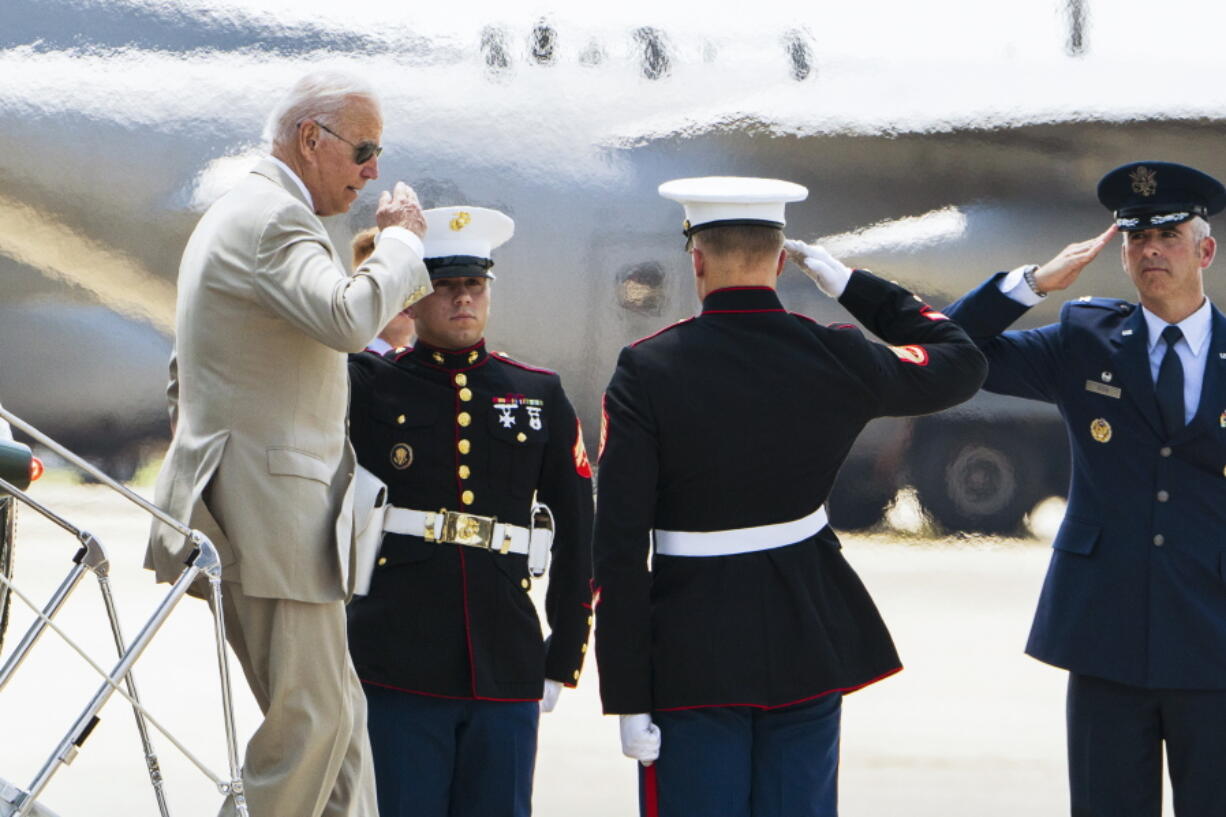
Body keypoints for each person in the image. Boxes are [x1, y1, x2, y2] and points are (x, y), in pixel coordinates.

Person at [593, 176, 988, 817]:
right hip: (807, 635)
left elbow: (616, 543)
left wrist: (628, 692)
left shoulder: (648, 367)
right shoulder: (833, 352)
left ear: (697, 259)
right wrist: (856, 286)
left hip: (693, 651)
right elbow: (961, 360)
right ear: (781, 260)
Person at [145, 70, 433, 817]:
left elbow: (190, 374)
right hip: (275, 520)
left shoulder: (241, 212)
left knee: (341, 734)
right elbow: (347, 318)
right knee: (311, 730)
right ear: (312, 139)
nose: (372, 171)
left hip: (261, 511)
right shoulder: (276, 218)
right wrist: (399, 246)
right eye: (364, 150)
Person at [943, 160, 1226, 817]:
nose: (1150, 249)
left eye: (1169, 235)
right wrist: (1034, 283)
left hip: (1215, 636)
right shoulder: (1085, 340)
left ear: (1204, 249)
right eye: (1135, 237)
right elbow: (953, 348)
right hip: (1107, 635)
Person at [346, 206, 594, 817]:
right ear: (411, 297)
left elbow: (578, 526)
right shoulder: (368, 384)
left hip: (505, 653)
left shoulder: (537, 392)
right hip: (397, 653)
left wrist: (563, 652)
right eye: (444, 285)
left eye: (475, 284)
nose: (463, 298)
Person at [352, 226, 415, 354]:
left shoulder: (430, 365)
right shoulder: (351, 364)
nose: (402, 293)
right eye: (389, 283)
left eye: (410, 281)